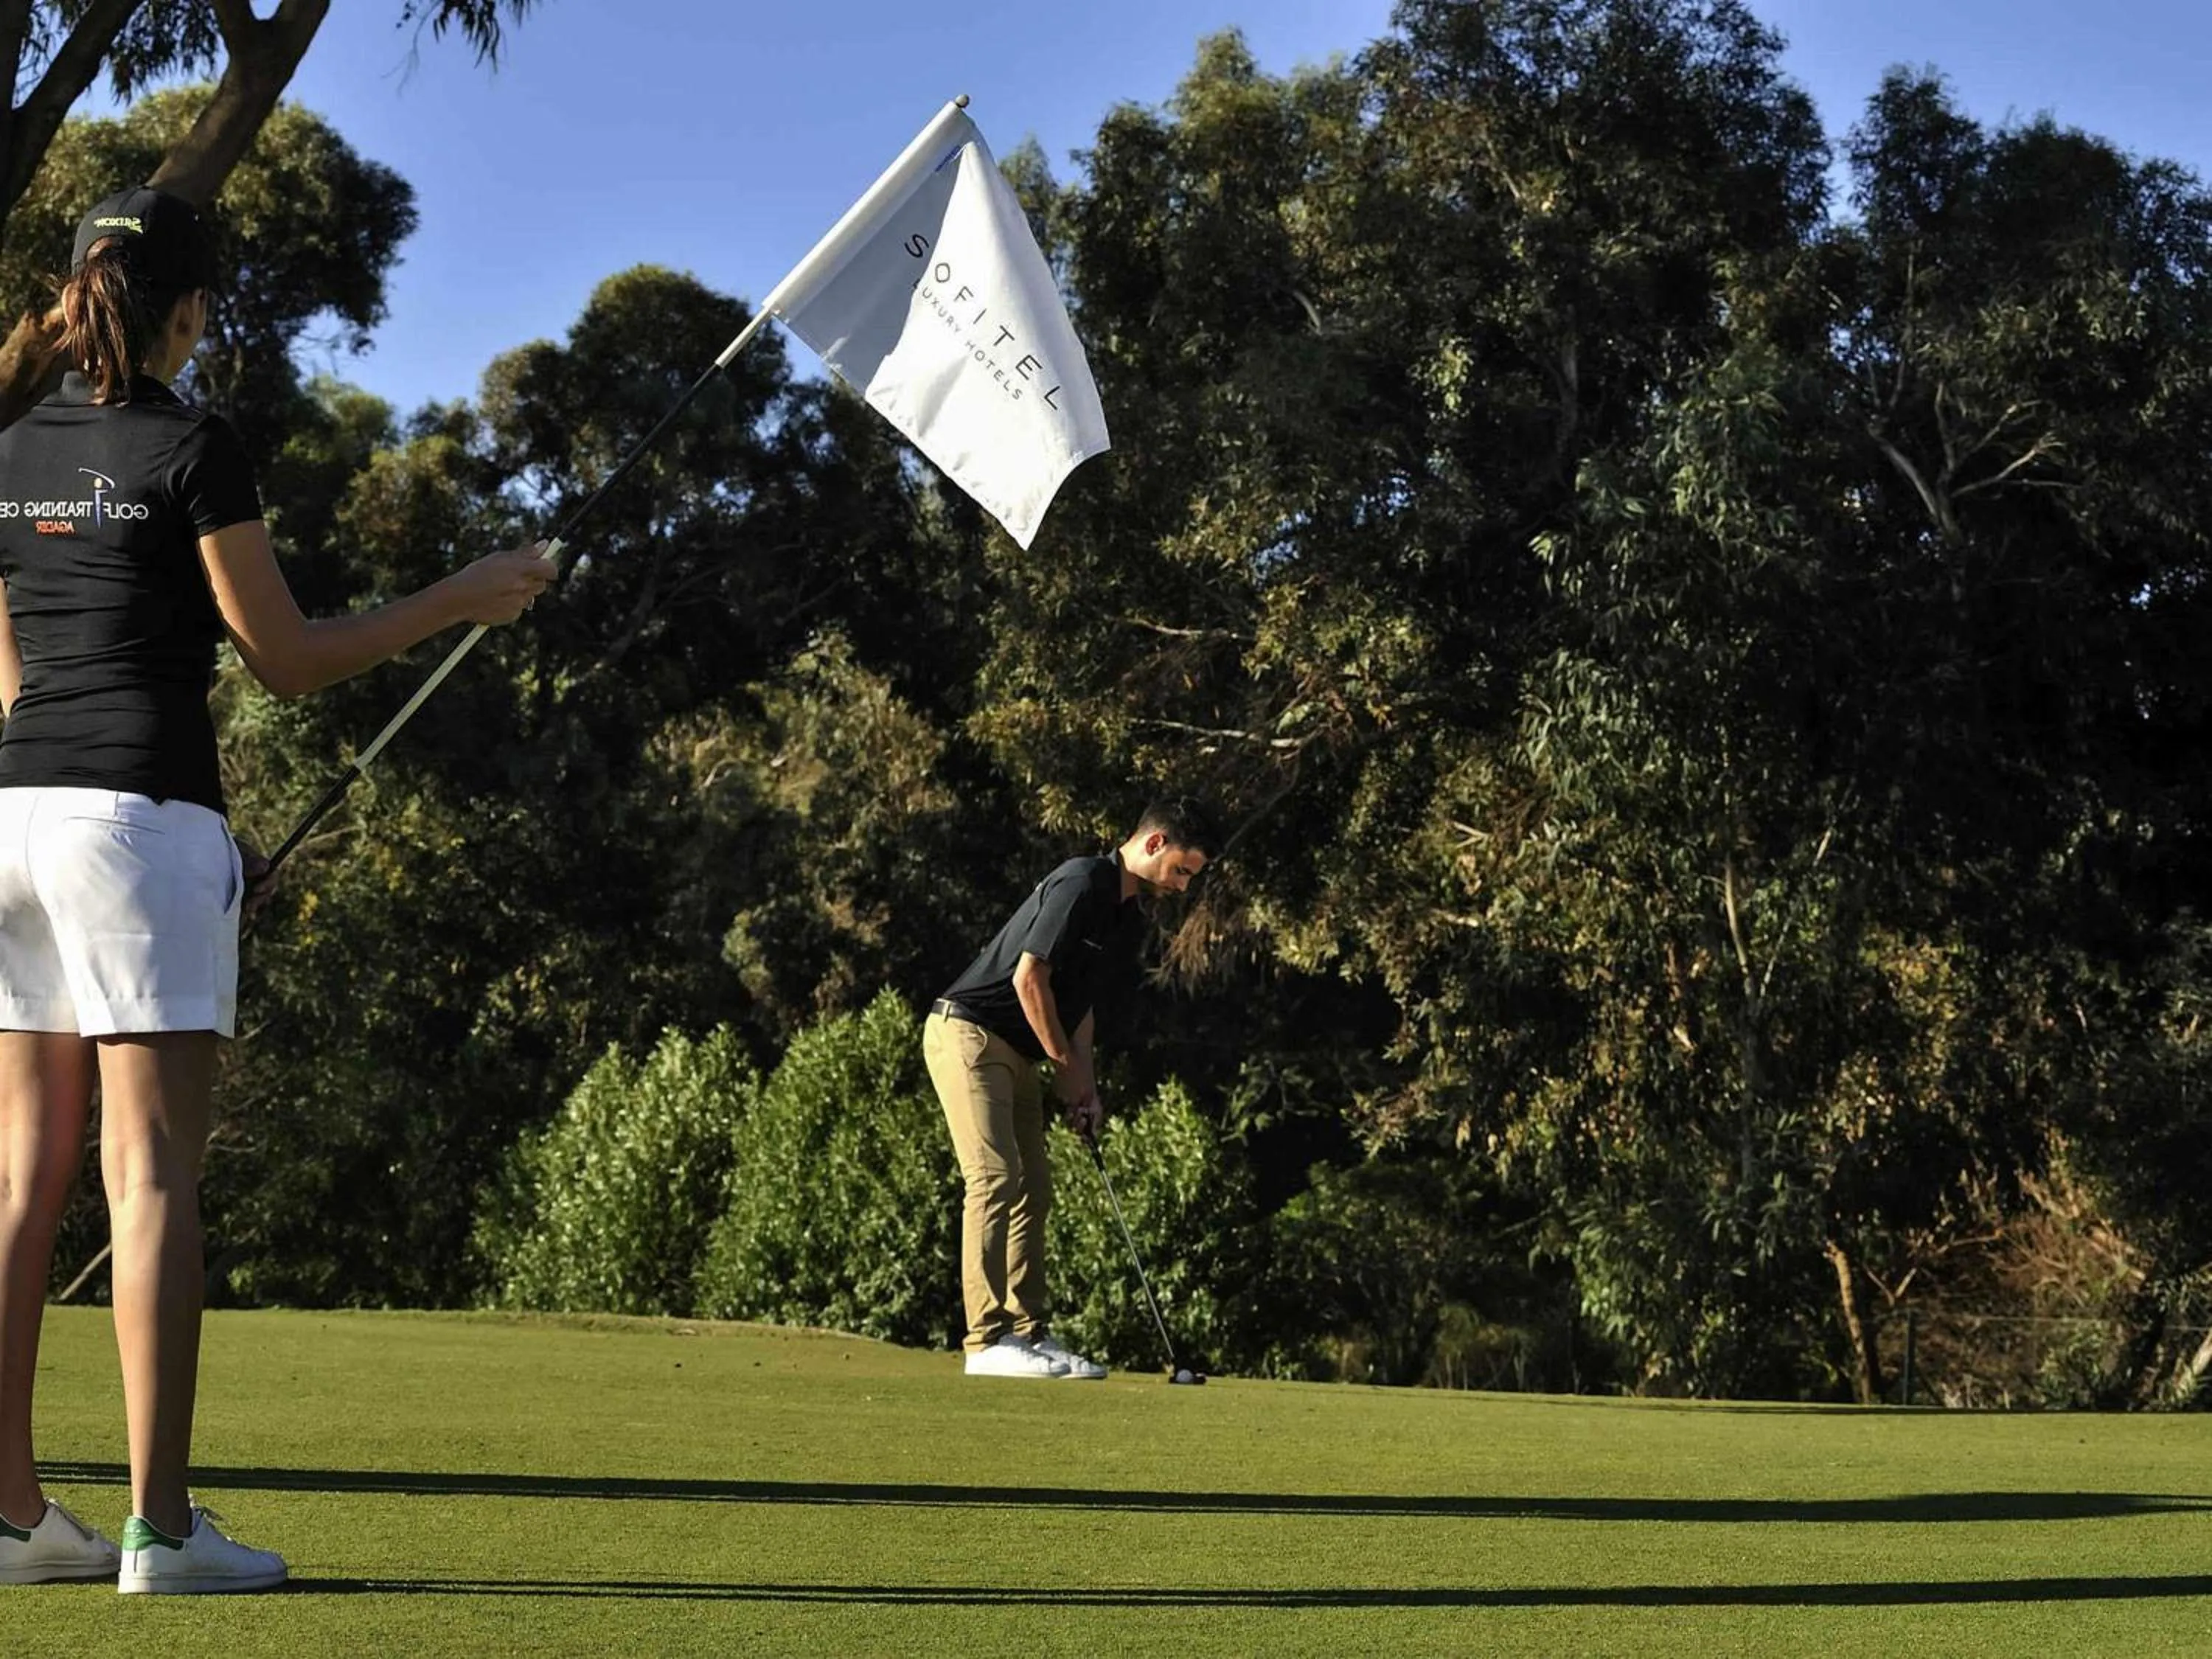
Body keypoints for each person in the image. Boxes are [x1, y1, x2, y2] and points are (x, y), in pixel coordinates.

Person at [0, 186, 554, 1593]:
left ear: (78, 297)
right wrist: (465, 592)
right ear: (187, 307)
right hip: (142, 822)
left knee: (21, 1173)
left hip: (13, 820)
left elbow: (5, 673)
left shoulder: (9, 451)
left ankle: (11, 1519)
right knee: (149, 1173)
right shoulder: (195, 441)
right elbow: (289, 657)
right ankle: (163, 1530)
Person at [922, 796, 1217, 1379]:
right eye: (1182, 869)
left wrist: (1085, 1088)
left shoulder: (1124, 915)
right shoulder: (1082, 882)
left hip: (1023, 1050)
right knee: (994, 1177)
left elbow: (1077, 1009)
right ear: (1154, 844)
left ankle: (1029, 1335)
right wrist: (1062, 1064)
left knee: (1035, 1186)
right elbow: (1029, 978)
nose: (1183, 886)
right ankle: (985, 1343)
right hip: (969, 1037)